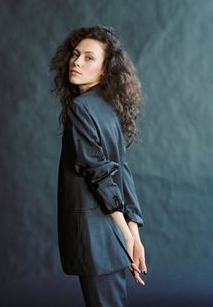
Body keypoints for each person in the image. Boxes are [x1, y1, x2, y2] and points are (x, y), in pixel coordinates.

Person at [50, 24, 147, 307]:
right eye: (75, 54)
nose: (76, 62)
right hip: (112, 233)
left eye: (89, 57)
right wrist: (133, 232)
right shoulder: (108, 107)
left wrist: (129, 237)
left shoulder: (80, 108)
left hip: (97, 235)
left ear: (105, 70)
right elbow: (121, 172)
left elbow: (101, 174)